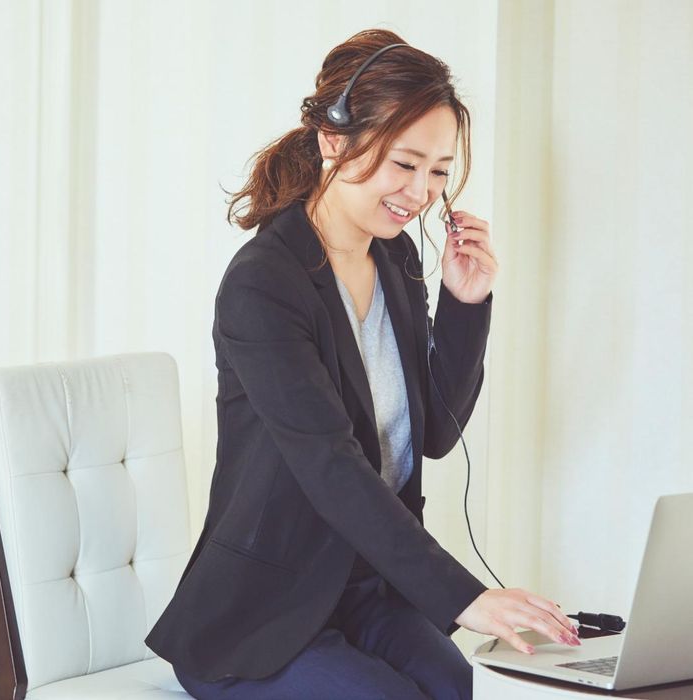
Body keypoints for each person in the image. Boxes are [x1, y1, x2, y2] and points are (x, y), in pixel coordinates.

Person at [144, 28, 580, 700]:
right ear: (333, 140)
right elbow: (330, 465)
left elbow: (434, 435)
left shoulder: (395, 257)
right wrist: (464, 597)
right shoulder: (264, 283)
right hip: (261, 615)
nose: (422, 191)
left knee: (470, 692)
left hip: (366, 594)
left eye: (439, 170)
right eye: (405, 163)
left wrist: (465, 305)